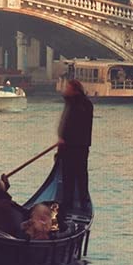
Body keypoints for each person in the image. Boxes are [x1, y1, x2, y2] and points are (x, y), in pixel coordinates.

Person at [55, 78, 94, 214]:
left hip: (75, 146)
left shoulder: (81, 105)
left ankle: (73, 203)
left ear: (74, 90)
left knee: (74, 175)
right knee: (76, 175)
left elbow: (75, 126)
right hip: (75, 146)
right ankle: (74, 202)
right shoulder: (75, 104)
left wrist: (64, 139)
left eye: (67, 88)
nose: (65, 90)